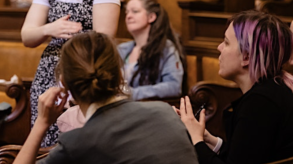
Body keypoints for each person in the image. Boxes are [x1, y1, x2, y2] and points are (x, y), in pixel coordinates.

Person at [14, 31, 199, 164]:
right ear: (120, 77)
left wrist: (41, 123)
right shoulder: (165, 112)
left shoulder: (77, 142)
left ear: (64, 84)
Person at [21, 0, 120, 147]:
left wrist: (75, 82)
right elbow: (27, 35)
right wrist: (51, 28)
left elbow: (103, 39)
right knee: (45, 146)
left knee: (79, 147)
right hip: (48, 74)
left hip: (85, 74)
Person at [178, 10, 293, 164]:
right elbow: (247, 155)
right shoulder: (275, 89)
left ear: (246, 56)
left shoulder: (260, 103)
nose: (219, 47)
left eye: (226, 42)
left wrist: (196, 140)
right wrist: (208, 138)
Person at [117, 0, 184, 100]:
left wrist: (131, 93)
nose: (128, 16)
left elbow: (173, 86)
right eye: (127, 12)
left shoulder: (165, 48)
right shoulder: (121, 49)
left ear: (151, 17)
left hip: (148, 108)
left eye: (135, 11)